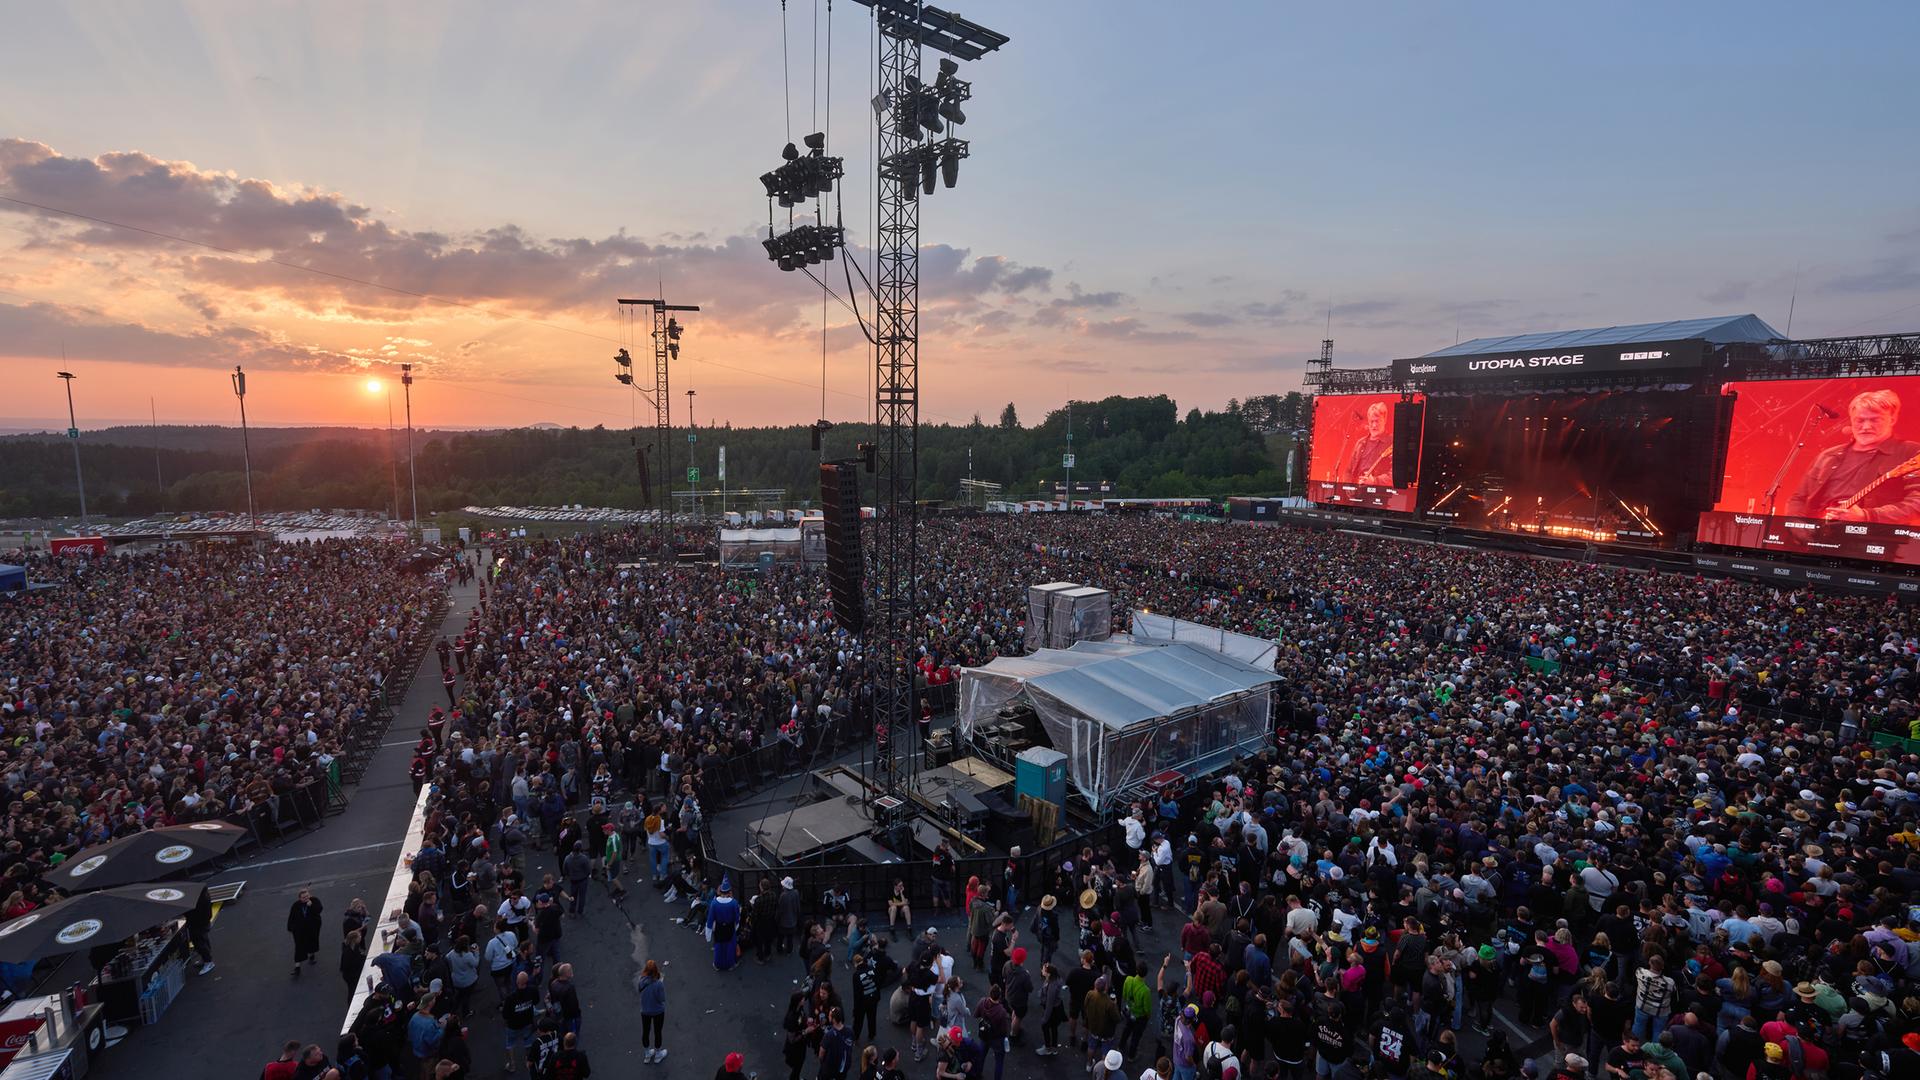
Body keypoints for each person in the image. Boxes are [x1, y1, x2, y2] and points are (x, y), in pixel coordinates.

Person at [1786, 387, 1920, 522]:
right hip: (1819, 535)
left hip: (1874, 538)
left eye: (1875, 420)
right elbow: (1799, 499)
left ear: (1892, 419)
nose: (1866, 427)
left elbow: (1917, 504)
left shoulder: (1911, 452)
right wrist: (1798, 528)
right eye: (1860, 420)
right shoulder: (1828, 456)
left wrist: (1866, 516)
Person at [1340, 401, 1393, 485]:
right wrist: (1349, 487)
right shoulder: (1360, 443)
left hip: (1379, 494)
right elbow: (1348, 471)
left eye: (1377, 421)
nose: (1374, 425)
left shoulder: (1391, 442)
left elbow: (1394, 475)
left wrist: (1375, 481)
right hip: (1356, 492)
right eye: (1372, 421)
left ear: (1385, 420)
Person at [288, 888, 325, 978]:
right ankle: (297, 967)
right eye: (304, 897)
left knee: (312, 942)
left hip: (312, 928)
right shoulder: (296, 905)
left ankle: (311, 956)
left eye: (307, 896)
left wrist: (311, 906)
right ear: (300, 898)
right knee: (299, 947)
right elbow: (291, 917)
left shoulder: (314, 901)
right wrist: (291, 928)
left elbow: (319, 910)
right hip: (300, 930)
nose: (306, 898)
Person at [636, 959, 668, 1063]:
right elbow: (662, 999)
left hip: (645, 1011)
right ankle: (658, 1054)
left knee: (645, 1031)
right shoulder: (658, 984)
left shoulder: (641, 980)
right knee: (657, 1032)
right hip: (658, 1011)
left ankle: (647, 1054)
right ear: (655, 970)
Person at [708, 877, 742, 970]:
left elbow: (710, 917)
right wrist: (737, 924)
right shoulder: (734, 903)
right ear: (729, 891)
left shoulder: (714, 903)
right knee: (730, 946)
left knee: (718, 945)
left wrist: (709, 929)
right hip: (730, 927)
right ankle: (730, 964)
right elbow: (737, 917)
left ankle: (717, 964)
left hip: (718, 927)